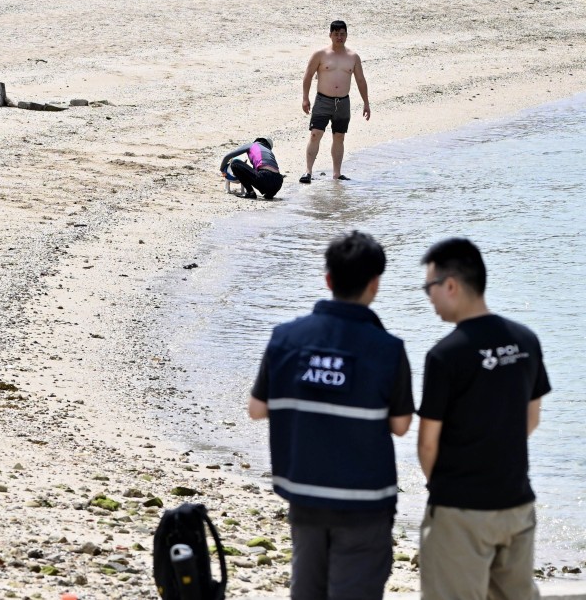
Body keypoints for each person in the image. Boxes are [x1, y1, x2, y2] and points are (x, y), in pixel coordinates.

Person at [249, 231, 414, 600]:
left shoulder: (286, 338)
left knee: (307, 589)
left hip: (305, 493)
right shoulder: (388, 349)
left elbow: (256, 409)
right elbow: (401, 426)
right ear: (375, 284)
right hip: (365, 502)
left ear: (328, 280)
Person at [417, 238, 551, 600]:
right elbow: (531, 419)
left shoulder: (445, 355)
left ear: (450, 285)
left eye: (428, 287)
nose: (428, 298)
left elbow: (428, 443)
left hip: (461, 508)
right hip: (517, 503)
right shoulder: (526, 340)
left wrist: (446, 490)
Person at [299, 20, 370, 183]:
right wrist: (305, 98)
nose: (340, 37)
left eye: (342, 34)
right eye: (336, 34)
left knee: (339, 136)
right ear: (330, 35)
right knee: (315, 134)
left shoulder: (353, 57)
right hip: (323, 100)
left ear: (346, 35)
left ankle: (337, 174)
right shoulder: (320, 54)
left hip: (343, 102)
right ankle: (308, 171)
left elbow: (360, 80)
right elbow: (308, 75)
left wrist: (366, 103)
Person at [218, 136, 284, 199]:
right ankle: (269, 195)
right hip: (278, 183)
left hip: (264, 178)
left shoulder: (252, 145)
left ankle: (250, 192)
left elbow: (227, 157)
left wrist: (222, 169)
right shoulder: (269, 152)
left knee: (234, 163)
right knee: (263, 175)